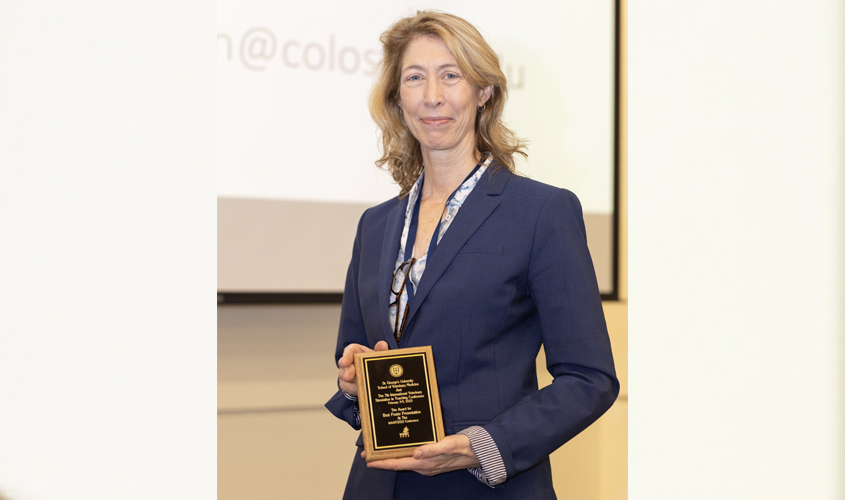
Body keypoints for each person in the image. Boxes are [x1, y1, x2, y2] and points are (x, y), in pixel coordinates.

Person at [325, 10, 618, 500]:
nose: (432, 96)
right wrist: (354, 380)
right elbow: (354, 354)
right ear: (397, 99)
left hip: (486, 488)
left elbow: (590, 379)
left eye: (451, 75)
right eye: (414, 78)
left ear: (483, 93)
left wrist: (481, 447)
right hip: (377, 484)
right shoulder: (375, 225)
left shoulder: (542, 211)